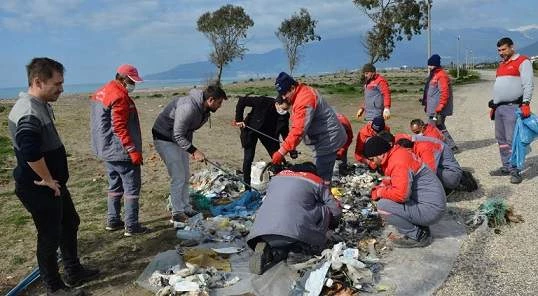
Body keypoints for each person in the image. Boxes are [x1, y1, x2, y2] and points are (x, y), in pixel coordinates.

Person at [8, 58, 99, 295]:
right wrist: (48, 179)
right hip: (39, 187)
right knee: (49, 236)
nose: (62, 89)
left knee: (70, 222)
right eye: (57, 84)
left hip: (54, 184)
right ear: (38, 81)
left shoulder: (40, 104)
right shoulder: (28, 111)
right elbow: (29, 149)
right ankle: (55, 287)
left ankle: (73, 270)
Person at [247, 162, 341, 274]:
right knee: (324, 208)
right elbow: (334, 208)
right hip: (294, 233)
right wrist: (334, 223)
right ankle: (300, 249)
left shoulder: (277, 178)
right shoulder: (316, 180)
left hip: (261, 231)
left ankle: (269, 246)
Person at [152, 85, 227, 223]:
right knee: (178, 176)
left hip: (178, 139)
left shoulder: (205, 111)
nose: (220, 106)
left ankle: (186, 207)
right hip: (164, 137)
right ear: (210, 100)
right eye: (219, 102)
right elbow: (178, 134)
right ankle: (177, 212)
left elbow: (189, 130)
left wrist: (191, 150)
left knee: (186, 175)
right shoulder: (188, 108)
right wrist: (194, 150)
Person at [90, 64, 147, 237]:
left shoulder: (101, 92)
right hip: (120, 151)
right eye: (131, 81)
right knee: (131, 188)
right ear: (122, 79)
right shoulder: (119, 96)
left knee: (114, 185)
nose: (133, 85)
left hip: (105, 149)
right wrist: (133, 150)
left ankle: (113, 220)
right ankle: (131, 225)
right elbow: (119, 127)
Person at [364, 136, 446, 248]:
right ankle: (420, 225)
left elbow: (401, 195)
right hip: (429, 203)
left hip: (431, 210)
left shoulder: (398, 162)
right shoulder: (398, 154)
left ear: (381, 154)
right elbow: (397, 180)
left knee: (383, 205)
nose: (373, 163)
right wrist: (382, 186)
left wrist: (380, 192)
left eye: (372, 159)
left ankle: (418, 235)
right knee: (387, 196)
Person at [272, 72, 347, 182]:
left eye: (284, 93)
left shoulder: (304, 99)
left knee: (320, 180)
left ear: (292, 87)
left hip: (328, 140)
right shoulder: (301, 92)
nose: (283, 97)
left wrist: (281, 151)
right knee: (321, 176)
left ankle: (325, 197)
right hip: (324, 138)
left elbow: (298, 130)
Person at [489, 37, 534, 184]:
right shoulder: (501, 64)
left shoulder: (523, 61)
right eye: (499, 51)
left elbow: (528, 84)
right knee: (501, 139)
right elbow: (500, 86)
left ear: (512, 47)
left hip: (513, 107)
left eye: (504, 49)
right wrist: (495, 104)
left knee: (512, 140)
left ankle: (516, 171)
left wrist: (526, 102)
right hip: (500, 108)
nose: (501, 53)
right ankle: (506, 166)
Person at [232, 94, 288, 186]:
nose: (284, 111)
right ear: (277, 104)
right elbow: (242, 101)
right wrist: (239, 119)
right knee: (248, 158)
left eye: (286, 109)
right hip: (251, 129)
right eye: (283, 109)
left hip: (269, 134)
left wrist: (290, 148)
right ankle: (247, 186)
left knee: (277, 156)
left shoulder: (285, 115)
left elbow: (285, 132)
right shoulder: (262, 101)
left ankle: (281, 183)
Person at [395, 134, 477, 193]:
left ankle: (461, 179)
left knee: (423, 174)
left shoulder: (425, 148)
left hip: (450, 174)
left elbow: (429, 173)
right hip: (442, 167)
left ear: (409, 150)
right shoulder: (411, 142)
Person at [422, 54, 459, 153]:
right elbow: (431, 92)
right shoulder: (433, 75)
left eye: (430, 65)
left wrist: (441, 105)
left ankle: (450, 146)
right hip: (432, 108)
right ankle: (447, 146)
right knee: (437, 126)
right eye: (428, 65)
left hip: (437, 109)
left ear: (435, 65)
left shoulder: (441, 75)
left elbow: (444, 92)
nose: (429, 67)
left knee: (436, 126)